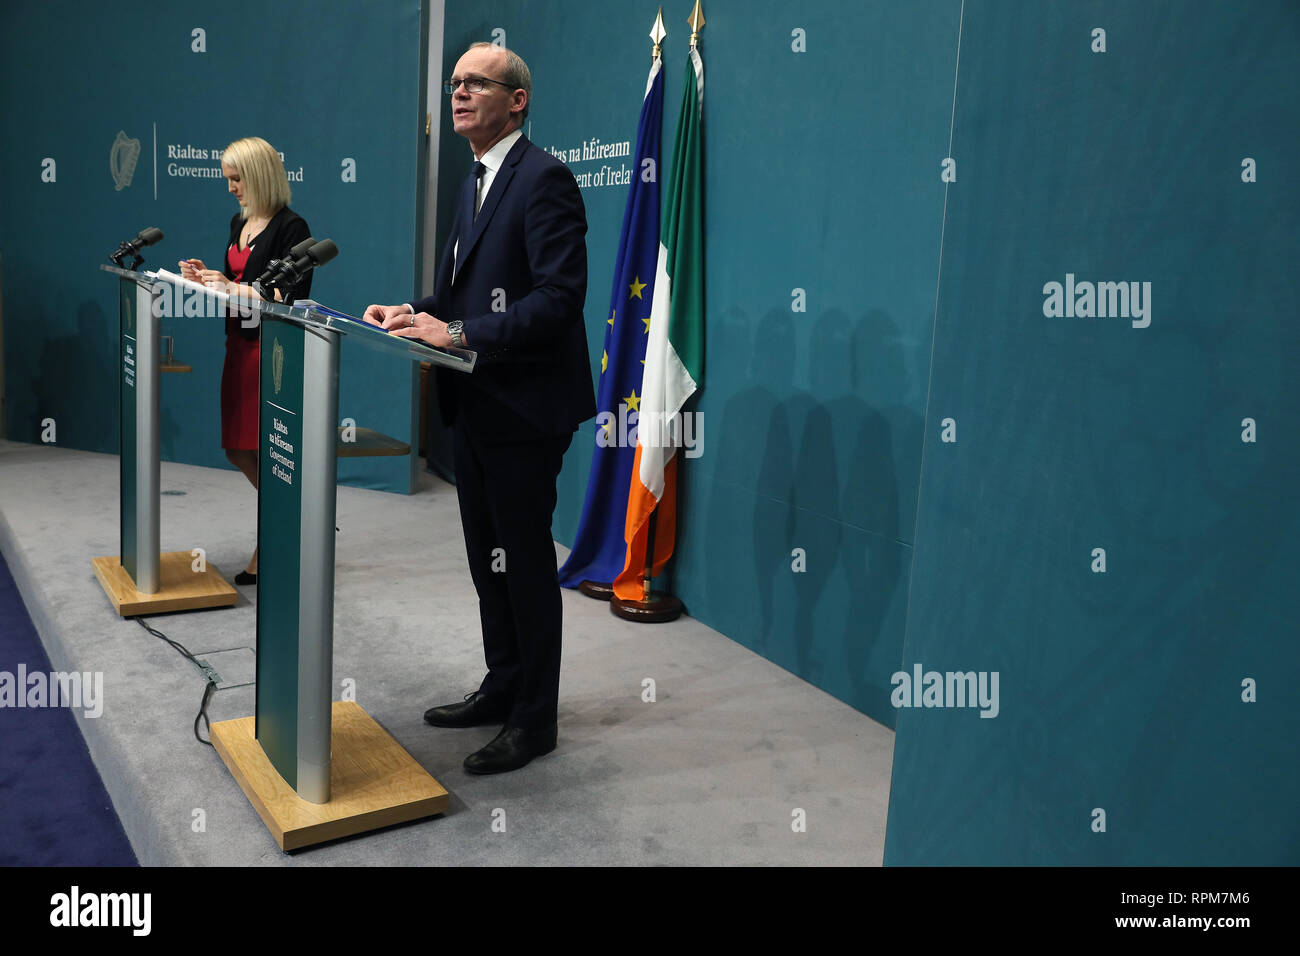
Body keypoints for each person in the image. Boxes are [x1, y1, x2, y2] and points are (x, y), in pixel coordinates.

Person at [364, 42, 594, 774]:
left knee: (524, 566)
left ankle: (535, 720)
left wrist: (457, 332)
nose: (458, 93)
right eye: (454, 82)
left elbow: (557, 302)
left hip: (525, 412)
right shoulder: (476, 179)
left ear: (517, 100)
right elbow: (467, 295)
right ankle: (503, 684)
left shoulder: (545, 178)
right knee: (485, 562)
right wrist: (416, 310)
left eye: (475, 83)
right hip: (475, 402)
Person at [178, 137, 312, 585]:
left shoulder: (293, 227)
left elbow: (287, 295)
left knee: (265, 449)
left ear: (259, 175)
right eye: (228, 179)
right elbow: (237, 280)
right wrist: (206, 280)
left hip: (269, 349)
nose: (231, 187)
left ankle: (276, 536)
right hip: (237, 344)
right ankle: (293, 518)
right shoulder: (240, 221)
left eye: (236, 178)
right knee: (237, 448)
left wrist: (230, 286)